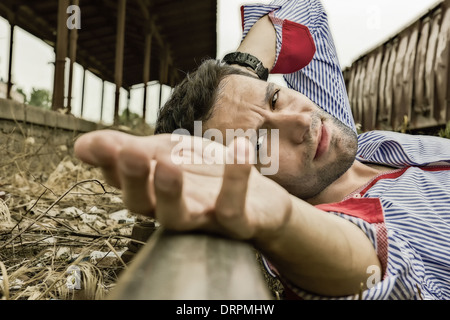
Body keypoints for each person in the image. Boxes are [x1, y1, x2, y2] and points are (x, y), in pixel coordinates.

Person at [74, 0, 450, 300]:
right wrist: (283, 223)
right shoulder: (339, 225)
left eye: (274, 98)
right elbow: (374, 266)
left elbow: (305, 8)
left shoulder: (333, 138)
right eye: (259, 144)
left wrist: (241, 70)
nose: (300, 123)